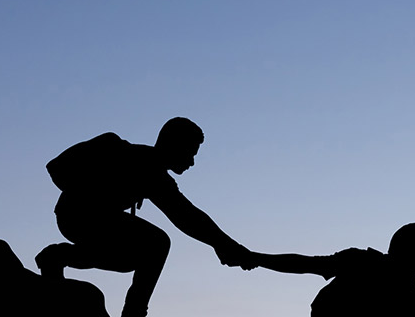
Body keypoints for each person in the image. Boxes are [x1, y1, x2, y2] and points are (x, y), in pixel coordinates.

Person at [35, 117, 252, 317]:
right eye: (191, 152)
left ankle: (59, 255)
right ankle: (135, 313)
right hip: (77, 216)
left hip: (96, 222)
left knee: (130, 260)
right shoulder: (118, 149)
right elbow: (55, 167)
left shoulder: (158, 179)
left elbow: (188, 217)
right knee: (157, 243)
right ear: (175, 144)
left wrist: (224, 245)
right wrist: (91, 196)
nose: (192, 162)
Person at [243, 223, 415, 317]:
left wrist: (255, 258)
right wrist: (256, 258)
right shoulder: (361, 262)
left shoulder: (414, 297)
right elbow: (304, 264)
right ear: (406, 251)